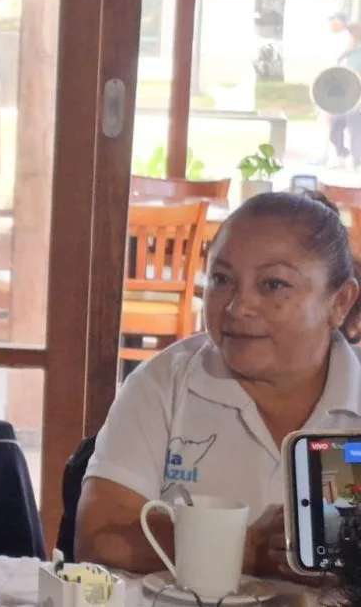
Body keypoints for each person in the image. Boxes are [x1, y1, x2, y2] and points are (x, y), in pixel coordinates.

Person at [76, 191, 361, 579]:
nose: (237, 306)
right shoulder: (164, 382)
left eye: (273, 285)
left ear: (339, 302)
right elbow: (99, 537)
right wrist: (249, 550)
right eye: (222, 279)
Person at [331, 23, 361, 168]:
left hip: (357, 98)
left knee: (355, 128)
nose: (352, 35)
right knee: (336, 125)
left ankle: (357, 161)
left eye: (354, 32)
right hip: (343, 97)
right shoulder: (349, 51)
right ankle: (342, 154)